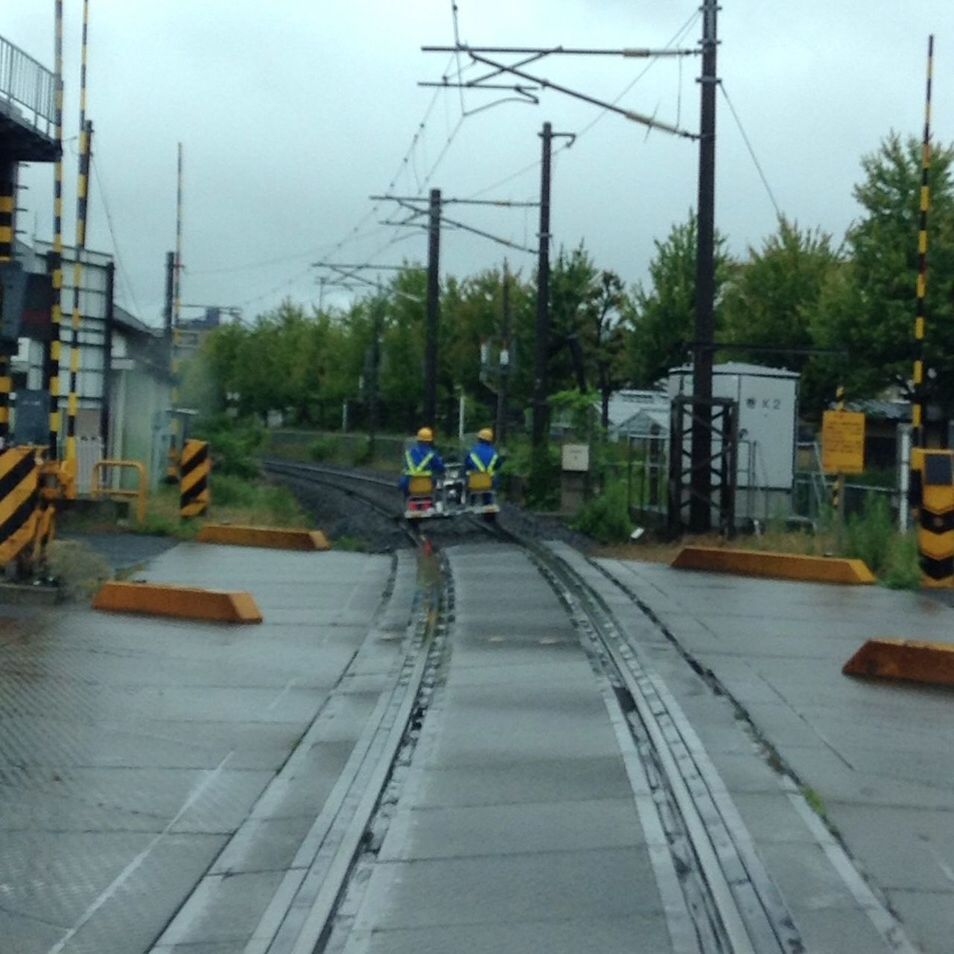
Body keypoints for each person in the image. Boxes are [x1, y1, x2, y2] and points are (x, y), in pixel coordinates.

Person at [399, 426, 444, 496]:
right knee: (438, 491)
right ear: (430, 441)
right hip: (427, 487)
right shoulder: (432, 453)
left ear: (418, 440)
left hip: (410, 488)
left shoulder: (409, 453)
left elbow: (404, 467)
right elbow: (440, 468)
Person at [464, 427, 500, 503]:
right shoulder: (494, 454)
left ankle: (470, 501)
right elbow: (498, 465)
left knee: (466, 477)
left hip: (474, 483)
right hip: (489, 483)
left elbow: (466, 465)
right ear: (490, 441)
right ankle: (488, 502)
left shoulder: (472, 452)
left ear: (479, 439)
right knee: (493, 478)